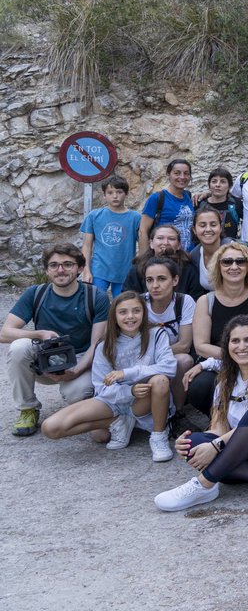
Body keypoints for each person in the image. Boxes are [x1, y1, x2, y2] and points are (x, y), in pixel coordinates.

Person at [155, 316, 248, 511]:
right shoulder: (225, 381)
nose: (242, 346)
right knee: (194, 443)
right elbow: (218, 428)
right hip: (243, 452)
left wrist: (215, 447)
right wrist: (195, 445)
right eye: (235, 341)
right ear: (227, 345)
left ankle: (204, 484)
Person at [41, 291, 175, 461]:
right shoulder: (105, 344)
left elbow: (169, 367)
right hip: (115, 400)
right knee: (51, 428)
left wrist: (126, 373)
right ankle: (119, 421)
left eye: (136, 311)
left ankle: (158, 436)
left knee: (160, 380)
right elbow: (101, 387)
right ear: (115, 316)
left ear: (144, 312)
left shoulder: (156, 334)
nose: (130, 317)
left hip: (145, 401)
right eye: (123, 312)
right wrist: (130, 391)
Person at [3, 244, 111, 436]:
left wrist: (76, 371)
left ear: (79, 268)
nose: (60, 270)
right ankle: (27, 408)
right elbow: (5, 333)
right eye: (54, 265)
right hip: (43, 360)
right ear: (46, 270)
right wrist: (39, 334)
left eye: (67, 264)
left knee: (78, 395)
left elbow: (97, 344)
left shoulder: (96, 297)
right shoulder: (36, 294)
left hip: (79, 360)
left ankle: (78, 396)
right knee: (19, 347)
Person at [184, 242, 248, 417]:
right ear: (218, 267)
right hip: (218, 362)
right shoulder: (206, 301)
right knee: (199, 387)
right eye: (227, 262)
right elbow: (201, 346)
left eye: (240, 261)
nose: (234, 266)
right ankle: (219, 420)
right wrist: (236, 356)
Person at [141, 257, 195, 417]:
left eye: (162, 279)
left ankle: (177, 414)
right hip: (142, 359)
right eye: (149, 280)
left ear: (175, 280)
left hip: (167, 355)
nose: (155, 286)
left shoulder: (184, 301)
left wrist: (157, 356)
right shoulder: (139, 303)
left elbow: (184, 344)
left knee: (184, 360)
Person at [80, 175, 140, 295]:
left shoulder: (136, 218)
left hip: (125, 271)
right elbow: (87, 246)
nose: (115, 196)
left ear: (126, 194)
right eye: (110, 192)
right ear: (104, 195)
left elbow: (144, 244)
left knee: (123, 305)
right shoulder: (94, 216)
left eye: (119, 192)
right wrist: (86, 270)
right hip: (99, 270)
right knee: (95, 303)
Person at [125, 223, 202, 298]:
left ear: (179, 245)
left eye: (171, 239)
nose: (165, 243)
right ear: (151, 243)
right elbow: (127, 298)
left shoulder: (189, 270)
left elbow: (196, 299)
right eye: (160, 238)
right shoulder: (137, 269)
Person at [139, 158, 195, 252]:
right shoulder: (157, 198)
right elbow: (143, 231)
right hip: (165, 256)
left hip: (188, 256)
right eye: (177, 173)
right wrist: (143, 260)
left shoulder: (188, 196)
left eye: (186, 173)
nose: (182, 177)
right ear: (168, 175)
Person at [190, 206, 231, 293]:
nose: (208, 229)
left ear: (220, 228)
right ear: (194, 230)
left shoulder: (234, 250)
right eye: (202, 225)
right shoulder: (195, 255)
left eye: (213, 225)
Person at [203, 167, 242, 241]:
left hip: (230, 249)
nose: (218, 185)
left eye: (223, 182)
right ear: (209, 185)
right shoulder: (200, 204)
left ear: (229, 186)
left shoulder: (236, 204)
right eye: (214, 181)